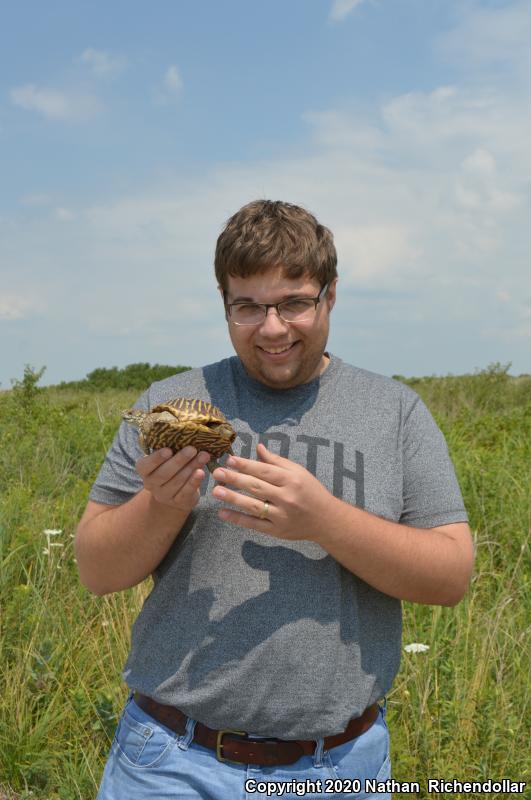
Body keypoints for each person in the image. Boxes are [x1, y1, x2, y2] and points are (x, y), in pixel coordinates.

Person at [75, 199, 474, 800]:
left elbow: (451, 576)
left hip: (338, 767)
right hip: (170, 761)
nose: (272, 327)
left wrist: (323, 520)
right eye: (248, 307)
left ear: (330, 296)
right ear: (225, 304)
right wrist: (162, 503)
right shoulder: (170, 404)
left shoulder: (394, 411)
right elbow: (96, 570)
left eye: (294, 302)